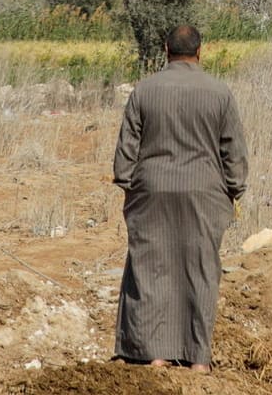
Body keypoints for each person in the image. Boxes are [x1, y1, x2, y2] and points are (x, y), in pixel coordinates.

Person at [112, 24, 249, 371]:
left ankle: (154, 353)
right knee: (200, 270)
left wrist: (128, 183)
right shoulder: (219, 92)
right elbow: (233, 149)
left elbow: (128, 146)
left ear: (165, 49)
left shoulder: (144, 90)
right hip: (204, 192)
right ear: (200, 51)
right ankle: (198, 358)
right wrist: (235, 188)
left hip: (152, 189)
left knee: (150, 267)